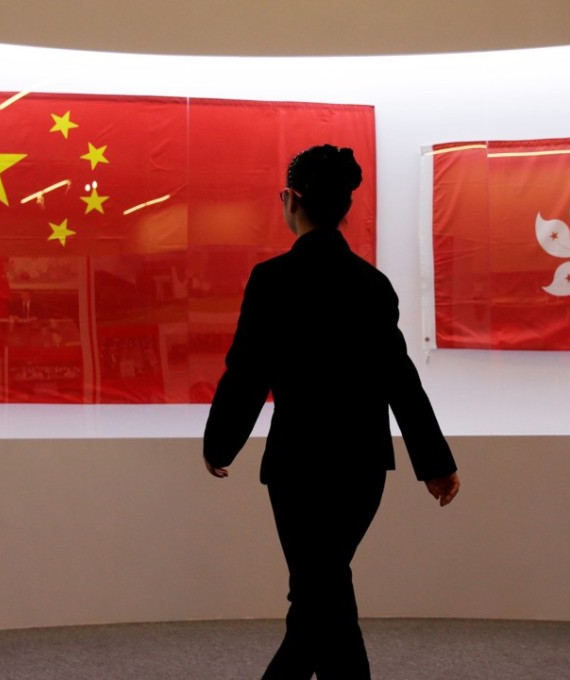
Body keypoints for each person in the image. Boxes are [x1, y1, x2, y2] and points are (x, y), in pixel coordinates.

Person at [203, 144, 459, 680]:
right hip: (361, 468)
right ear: (343, 206)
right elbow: (399, 378)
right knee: (325, 593)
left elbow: (248, 371)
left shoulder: (273, 279)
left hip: (297, 467)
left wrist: (220, 442)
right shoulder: (372, 284)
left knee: (317, 595)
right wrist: (434, 461)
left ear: (291, 199)